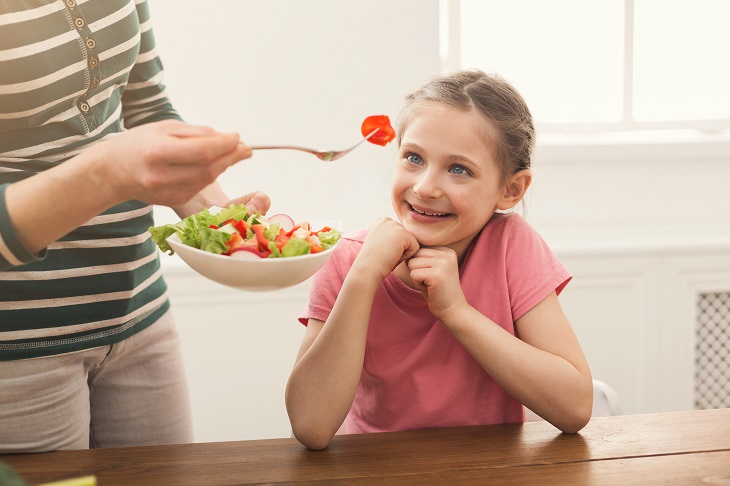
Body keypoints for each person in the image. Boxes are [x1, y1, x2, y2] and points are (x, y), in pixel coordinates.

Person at [0, 0, 270, 452]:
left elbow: (145, 104)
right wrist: (105, 172)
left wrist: (220, 221)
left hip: (141, 314)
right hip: (20, 344)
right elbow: (116, 160)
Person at [285, 69, 593, 450]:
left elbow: (575, 407)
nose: (425, 187)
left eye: (458, 169)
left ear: (511, 189)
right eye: (413, 157)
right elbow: (311, 426)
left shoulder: (511, 246)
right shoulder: (348, 258)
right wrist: (363, 277)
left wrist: (457, 312)